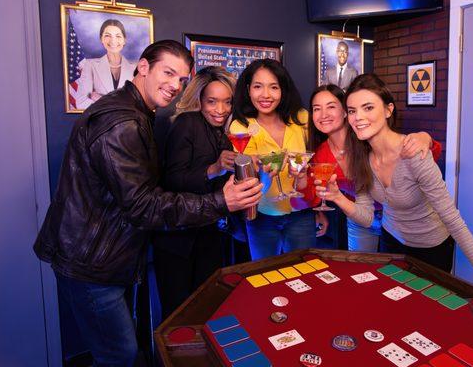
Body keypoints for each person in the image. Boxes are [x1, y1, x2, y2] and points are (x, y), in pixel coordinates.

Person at [33, 40, 263, 366]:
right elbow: (144, 204)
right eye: (168, 73)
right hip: (92, 263)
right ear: (143, 67)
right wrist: (221, 201)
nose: (174, 86)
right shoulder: (123, 123)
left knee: (124, 350)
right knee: (121, 355)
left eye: (181, 79)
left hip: (109, 256)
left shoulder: (138, 112)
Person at [317, 73, 473, 325]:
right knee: (395, 313)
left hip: (431, 249)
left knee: (429, 318)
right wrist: (338, 197)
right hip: (391, 243)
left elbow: (454, 222)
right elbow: (366, 217)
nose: (358, 117)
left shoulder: (414, 153)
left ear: (388, 110)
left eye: (368, 107)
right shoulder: (361, 156)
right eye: (352, 110)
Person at [292, 84, 441, 252]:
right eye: (317, 109)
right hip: (358, 216)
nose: (323, 114)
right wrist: (302, 182)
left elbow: (424, 157)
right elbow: (308, 199)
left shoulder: (366, 137)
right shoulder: (320, 154)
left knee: (397, 271)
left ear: (345, 112)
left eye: (331, 107)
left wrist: (425, 138)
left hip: (398, 219)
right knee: (362, 270)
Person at [152, 66, 238, 319]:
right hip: (179, 238)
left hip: (207, 231)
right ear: (199, 99)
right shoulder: (186, 123)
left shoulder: (220, 133)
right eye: (212, 102)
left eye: (227, 102)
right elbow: (173, 180)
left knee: (206, 307)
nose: (220, 110)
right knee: (179, 313)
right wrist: (215, 168)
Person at [229, 59, 315, 260]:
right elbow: (252, 184)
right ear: (248, 89)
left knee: (305, 271)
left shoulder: (301, 119)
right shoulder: (241, 128)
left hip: (301, 213)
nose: (265, 95)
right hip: (262, 216)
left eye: (274, 87)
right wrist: (263, 173)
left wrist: (315, 204)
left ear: (283, 90)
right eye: (258, 87)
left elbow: (314, 165)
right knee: (264, 274)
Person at [76, 19, 137, 110]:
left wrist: (101, 99)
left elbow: (139, 104)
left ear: (124, 40)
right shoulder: (90, 65)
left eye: (118, 36)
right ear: (101, 39)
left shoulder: (135, 68)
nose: (113, 41)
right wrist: (121, 105)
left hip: (129, 123)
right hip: (101, 123)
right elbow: (81, 102)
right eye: (108, 36)